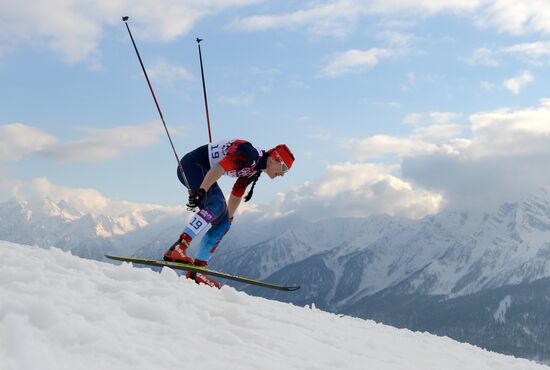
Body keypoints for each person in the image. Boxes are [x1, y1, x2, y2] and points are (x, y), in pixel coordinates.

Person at [163, 139, 295, 288]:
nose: (282, 174)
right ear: (274, 158)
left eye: (286, 171)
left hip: (204, 171)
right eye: (283, 168)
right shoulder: (250, 155)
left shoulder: (255, 169)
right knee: (216, 204)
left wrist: (228, 219)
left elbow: (237, 194)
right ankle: (178, 247)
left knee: (223, 223)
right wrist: (201, 192)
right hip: (191, 166)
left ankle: (196, 271)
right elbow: (218, 169)